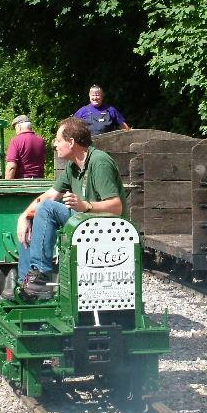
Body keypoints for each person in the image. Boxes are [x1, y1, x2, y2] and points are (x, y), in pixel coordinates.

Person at [15, 117, 126, 299]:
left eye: (58, 140)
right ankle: (27, 284)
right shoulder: (72, 167)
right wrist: (24, 216)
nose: (55, 144)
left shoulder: (99, 162)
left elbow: (116, 207)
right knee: (34, 216)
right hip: (84, 222)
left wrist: (86, 206)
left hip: (107, 229)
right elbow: (49, 195)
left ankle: (41, 276)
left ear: (71, 142)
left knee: (47, 208)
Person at [5, 114, 46, 179]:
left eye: (15, 128)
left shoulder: (16, 141)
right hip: (39, 181)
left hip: (23, 182)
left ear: (19, 127)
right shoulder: (41, 141)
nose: (16, 131)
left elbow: (11, 166)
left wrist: (6, 186)